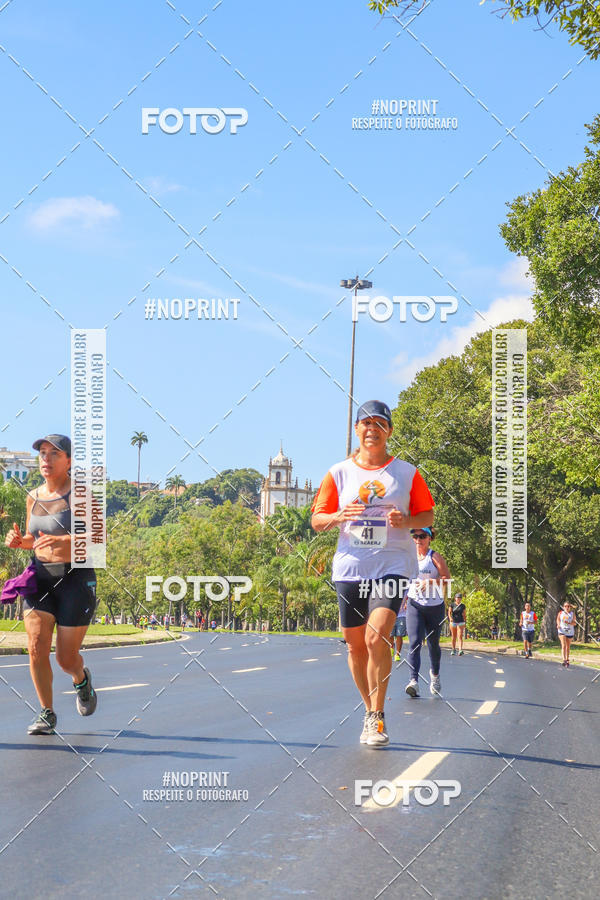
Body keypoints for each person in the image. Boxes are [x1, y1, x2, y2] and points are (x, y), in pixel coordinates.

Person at [311, 400, 435, 747]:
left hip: (393, 564)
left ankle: (378, 717)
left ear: (389, 431)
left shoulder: (407, 473)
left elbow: (427, 516)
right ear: (357, 430)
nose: (372, 429)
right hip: (351, 566)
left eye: (379, 424)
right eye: (366, 424)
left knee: (375, 636)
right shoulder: (338, 473)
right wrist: (339, 516)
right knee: (355, 646)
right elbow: (317, 520)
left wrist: (406, 521)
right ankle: (368, 711)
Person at [3, 434, 97, 735]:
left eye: (54, 453)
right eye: (42, 453)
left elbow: (97, 540)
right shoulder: (33, 496)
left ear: (68, 461)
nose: (46, 459)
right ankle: (47, 712)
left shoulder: (81, 496)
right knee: (35, 646)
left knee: (65, 658)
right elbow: (35, 538)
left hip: (75, 579)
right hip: (40, 578)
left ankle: (81, 680)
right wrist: (21, 542)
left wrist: (66, 540)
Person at [404, 527, 451, 698]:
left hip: (435, 607)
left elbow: (447, 578)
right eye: (415, 536)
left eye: (422, 536)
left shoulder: (434, 557)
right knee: (414, 642)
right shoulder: (408, 557)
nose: (418, 539)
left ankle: (435, 675)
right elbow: (404, 579)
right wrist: (403, 599)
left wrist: (431, 582)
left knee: (433, 644)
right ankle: (413, 682)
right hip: (414, 605)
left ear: (429, 538)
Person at [557, 602, 577, 667]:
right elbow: (558, 620)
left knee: (568, 646)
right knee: (564, 645)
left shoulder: (572, 614)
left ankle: (567, 659)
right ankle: (564, 660)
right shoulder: (560, 613)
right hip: (562, 631)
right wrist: (558, 625)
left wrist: (569, 623)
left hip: (570, 631)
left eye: (568, 606)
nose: (566, 607)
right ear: (563, 607)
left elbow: (575, 623)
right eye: (565, 606)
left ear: (570, 607)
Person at [390, 595, 407, 661]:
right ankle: (391, 648)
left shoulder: (405, 589)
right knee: (390, 635)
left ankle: (397, 654)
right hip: (391, 615)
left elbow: (410, 597)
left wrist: (407, 604)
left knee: (399, 635)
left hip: (401, 615)